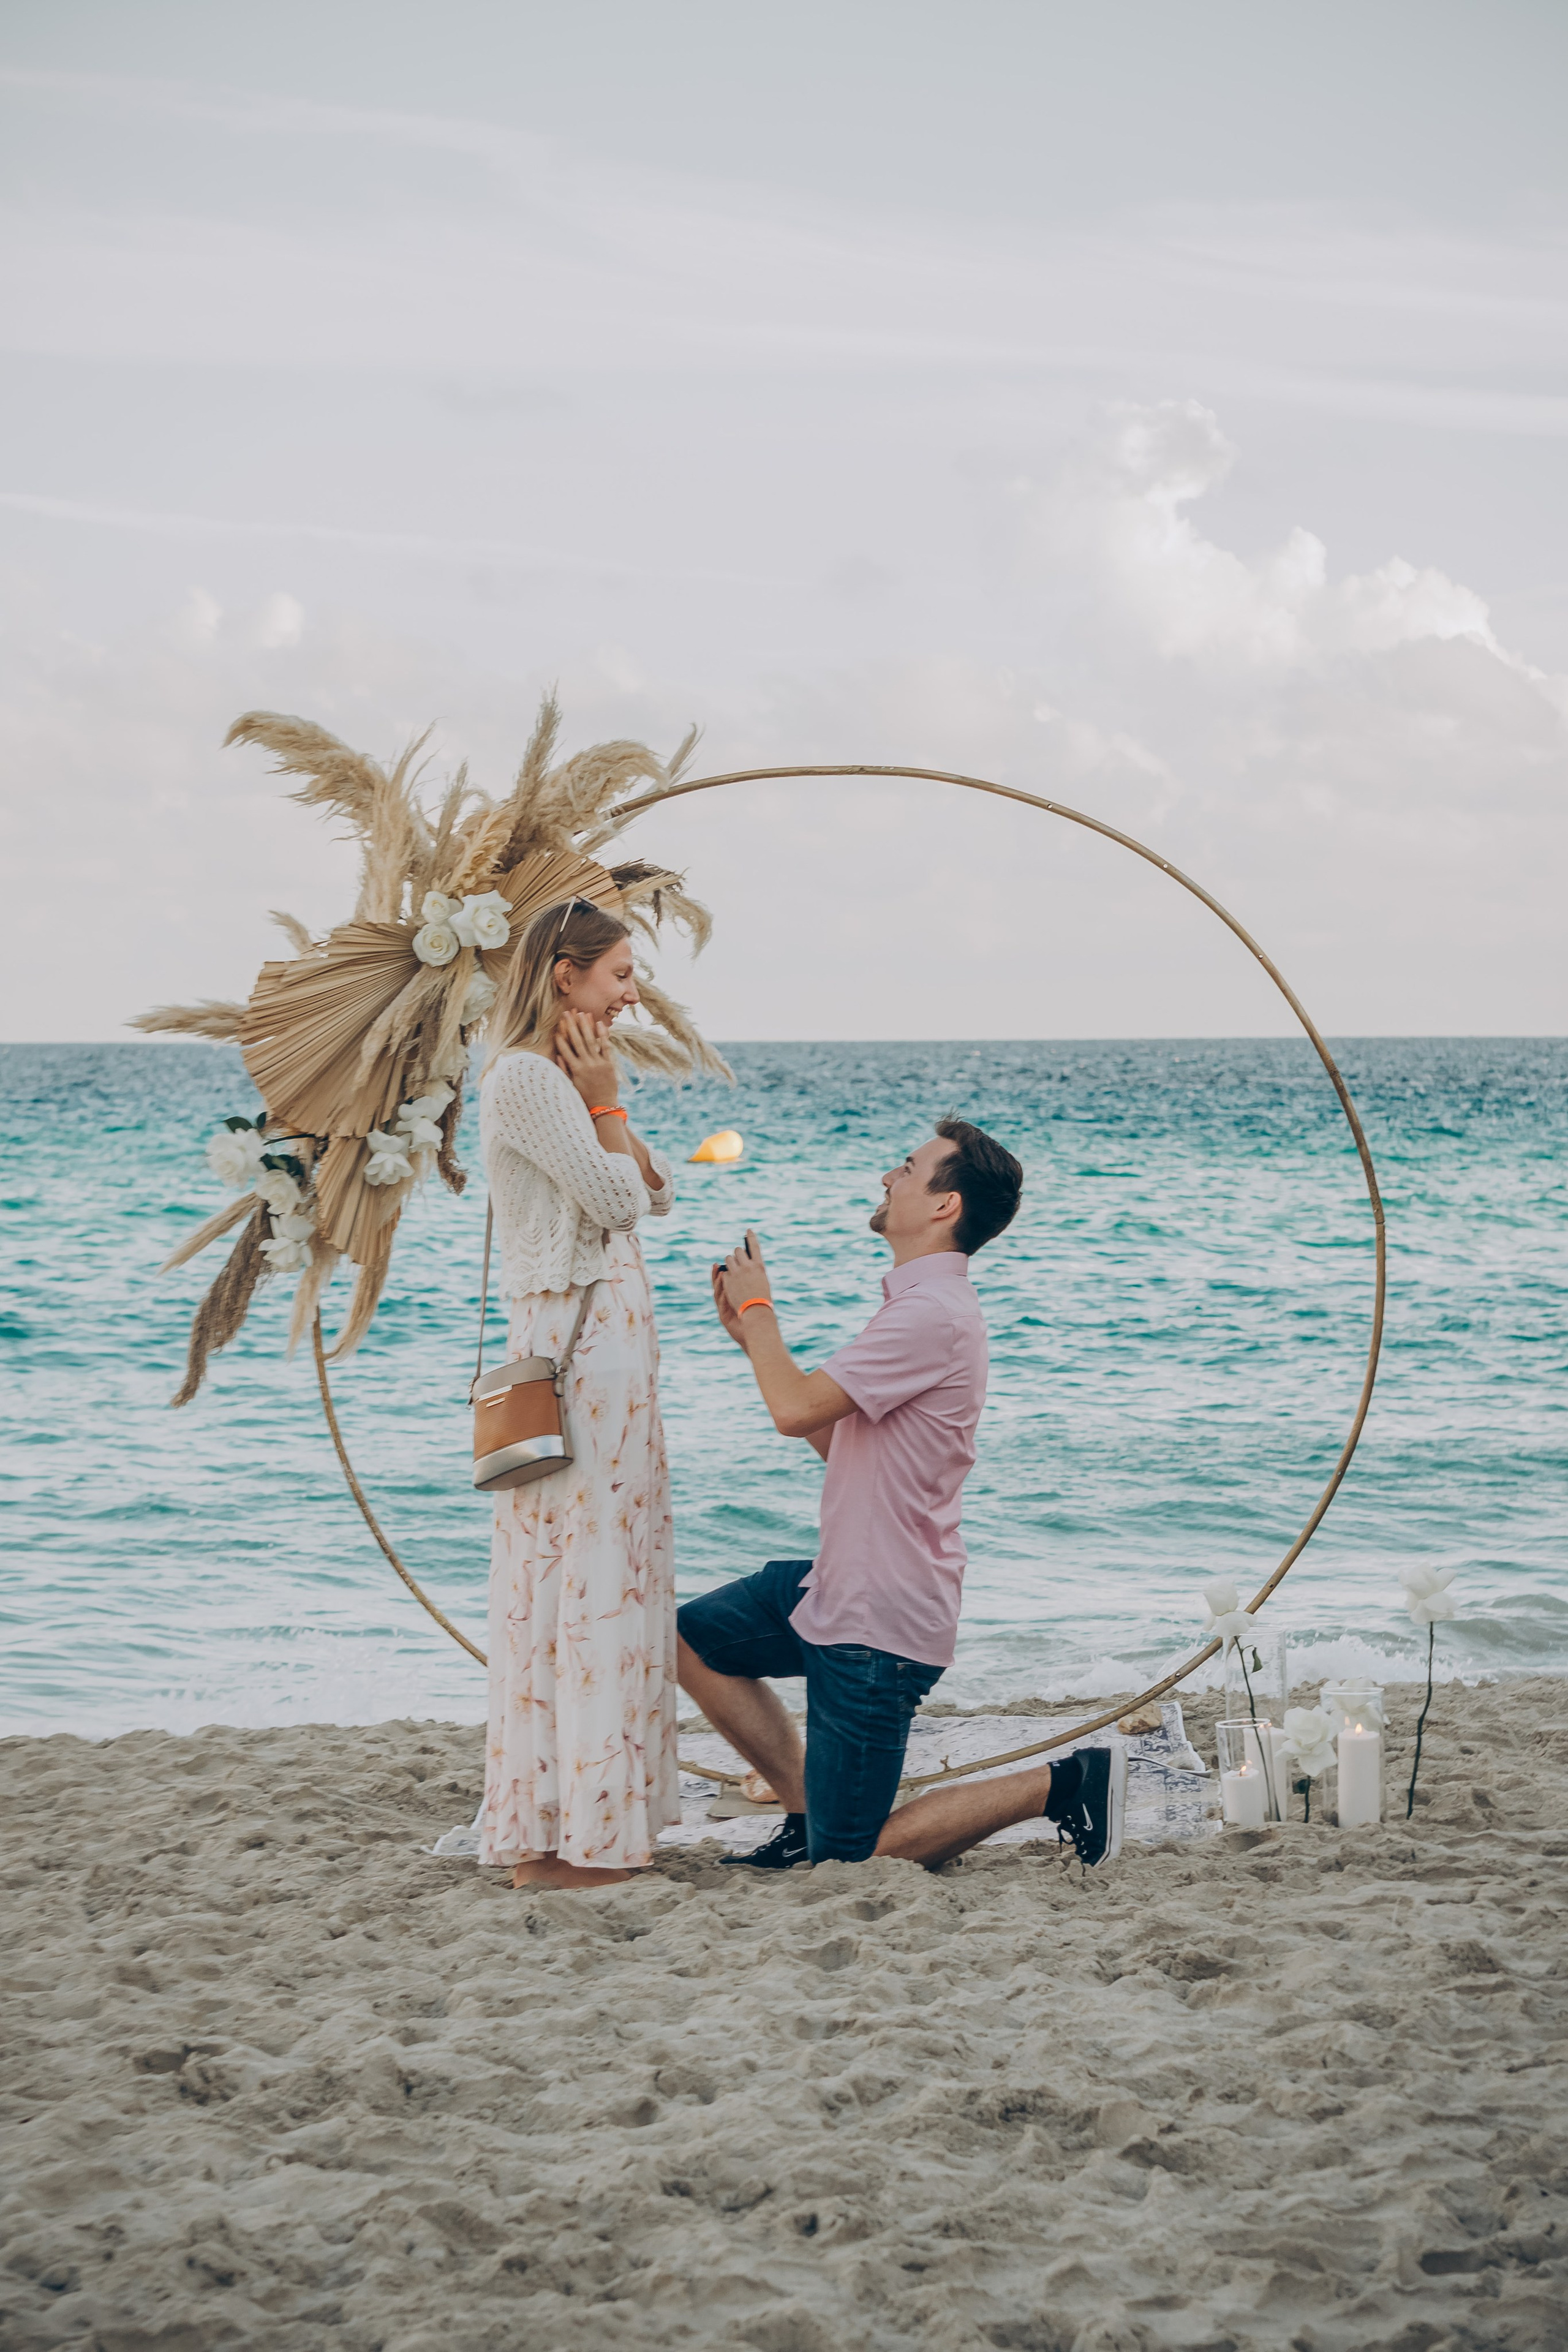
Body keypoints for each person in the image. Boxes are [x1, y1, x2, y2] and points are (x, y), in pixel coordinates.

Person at [677, 1120, 1124, 1872]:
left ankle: (1064, 1782)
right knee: (689, 1640)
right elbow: (834, 1441)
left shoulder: (929, 1314)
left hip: (878, 1623)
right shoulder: (918, 1306)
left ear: (945, 1205)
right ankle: (804, 1812)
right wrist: (750, 1340)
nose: (888, 1177)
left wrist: (759, 1313)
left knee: (851, 1861)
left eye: (908, 1169)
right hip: (836, 1587)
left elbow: (792, 1411)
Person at [477, 897, 680, 1890]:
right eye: (621, 974)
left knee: (614, 1570)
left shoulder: (570, 1078)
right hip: (577, 1351)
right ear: (567, 974)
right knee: (580, 1578)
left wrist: (608, 1107)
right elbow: (616, 1200)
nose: (633, 993)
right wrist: (607, 1108)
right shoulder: (526, 1077)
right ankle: (567, 1842)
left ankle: (588, 1826)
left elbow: (661, 1188)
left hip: (608, 1355)